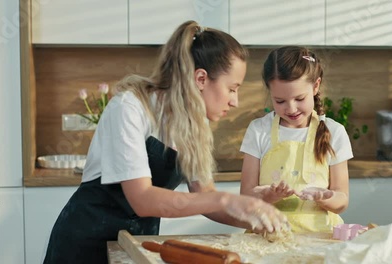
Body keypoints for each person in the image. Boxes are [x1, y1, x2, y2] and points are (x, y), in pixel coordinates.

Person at [44, 21, 288, 264]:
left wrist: (256, 216)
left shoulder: (194, 123)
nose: (235, 101)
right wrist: (227, 199)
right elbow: (142, 199)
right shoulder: (130, 107)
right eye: (232, 88)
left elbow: (204, 196)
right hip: (85, 245)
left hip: (135, 247)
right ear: (201, 79)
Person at [240, 46, 353, 233]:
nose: (291, 109)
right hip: (267, 237)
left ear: (316, 86)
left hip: (320, 238)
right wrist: (269, 196)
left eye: (299, 98)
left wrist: (325, 197)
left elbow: (342, 201)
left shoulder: (335, 132)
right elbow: (245, 197)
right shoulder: (258, 130)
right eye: (280, 101)